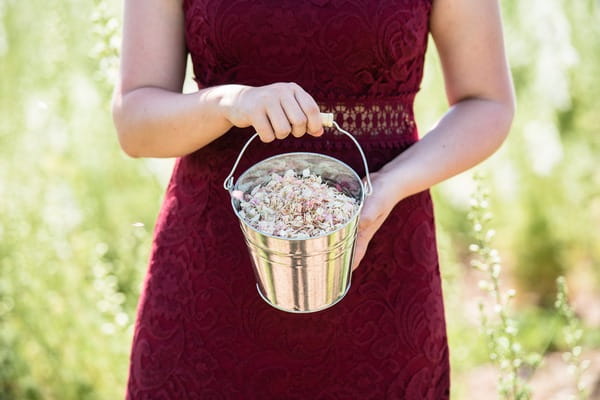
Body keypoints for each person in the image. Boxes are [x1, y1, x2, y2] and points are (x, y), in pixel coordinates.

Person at [112, 0, 514, 398]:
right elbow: (134, 122)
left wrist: (388, 185)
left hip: (380, 249)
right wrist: (230, 103)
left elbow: (487, 102)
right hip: (216, 263)